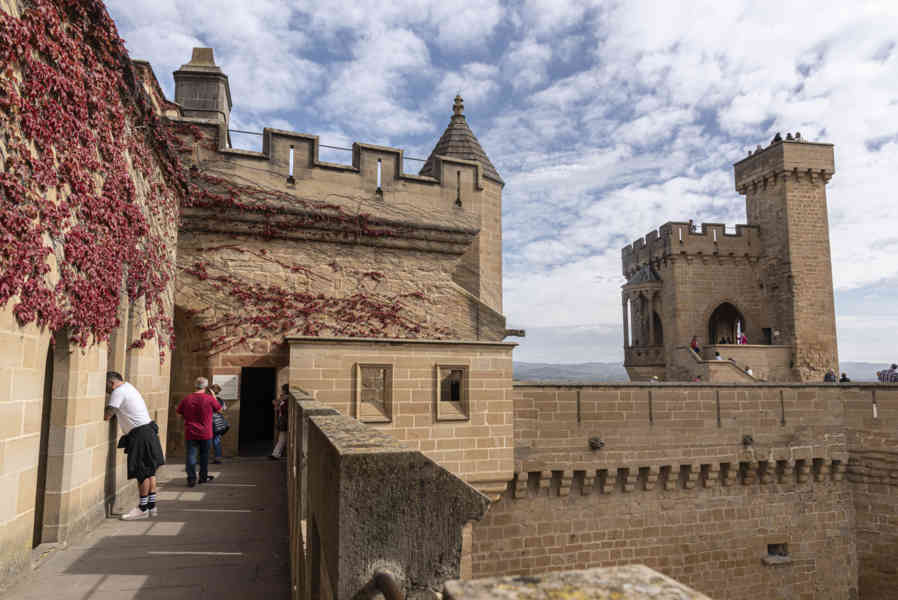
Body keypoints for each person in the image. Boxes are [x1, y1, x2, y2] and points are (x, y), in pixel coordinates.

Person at [105, 371, 165, 520]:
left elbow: (108, 415)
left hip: (140, 435)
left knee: (142, 472)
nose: (106, 390)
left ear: (111, 383)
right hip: (148, 431)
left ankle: (142, 509)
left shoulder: (118, 392)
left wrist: (106, 411)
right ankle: (151, 506)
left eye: (105, 386)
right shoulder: (128, 387)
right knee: (150, 471)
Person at [177, 377, 221, 487]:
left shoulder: (187, 398)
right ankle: (203, 477)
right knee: (204, 456)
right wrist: (213, 396)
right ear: (205, 387)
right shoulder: (209, 399)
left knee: (191, 456)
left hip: (191, 432)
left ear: (195, 385)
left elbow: (179, 411)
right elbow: (219, 409)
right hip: (206, 433)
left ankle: (191, 479)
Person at [270, 384, 293, 459]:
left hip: (286, 420)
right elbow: (277, 408)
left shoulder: (288, 399)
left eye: (283, 390)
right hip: (283, 420)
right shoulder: (283, 399)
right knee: (282, 438)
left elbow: (284, 409)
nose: (281, 391)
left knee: (283, 438)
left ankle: (276, 454)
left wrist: (278, 404)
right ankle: (276, 454)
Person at [206, 384, 226, 464]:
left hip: (209, 422)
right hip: (218, 423)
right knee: (216, 440)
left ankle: (203, 458)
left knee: (206, 440)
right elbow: (223, 410)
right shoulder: (221, 400)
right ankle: (217, 458)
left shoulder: (208, 399)